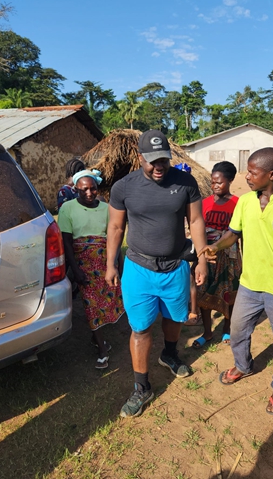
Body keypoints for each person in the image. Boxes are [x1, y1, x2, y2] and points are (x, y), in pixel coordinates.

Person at [202, 147, 273, 415]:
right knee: (238, 330)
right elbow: (232, 233)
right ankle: (243, 365)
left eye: (253, 172)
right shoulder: (246, 202)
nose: (247, 176)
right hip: (249, 284)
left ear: (272, 174)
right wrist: (216, 247)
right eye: (247, 171)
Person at [106, 130, 209, 418]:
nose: (158, 166)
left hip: (176, 265)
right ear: (140, 158)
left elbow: (197, 220)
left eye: (163, 159)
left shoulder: (185, 182)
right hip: (139, 268)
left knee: (175, 318)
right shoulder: (124, 187)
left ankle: (170, 354)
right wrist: (111, 263)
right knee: (140, 328)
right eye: (152, 161)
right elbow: (115, 228)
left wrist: (201, 259)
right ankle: (142, 387)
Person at [58, 169, 124, 369]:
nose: (89, 193)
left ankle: (98, 338)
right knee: (90, 304)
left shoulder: (106, 208)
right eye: (83, 189)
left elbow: (114, 237)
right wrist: (76, 270)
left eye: (93, 189)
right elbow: (67, 243)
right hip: (83, 264)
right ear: (76, 189)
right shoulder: (67, 209)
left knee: (106, 300)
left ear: (98, 188)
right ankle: (102, 349)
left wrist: (116, 264)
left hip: (105, 261)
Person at [190, 161, 241, 348]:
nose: (215, 186)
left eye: (219, 182)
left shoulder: (238, 204)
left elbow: (240, 233)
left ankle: (227, 328)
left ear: (230, 180)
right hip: (207, 255)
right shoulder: (204, 203)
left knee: (229, 294)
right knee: (203, 291)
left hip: (229, 256)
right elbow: (198, 229)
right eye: (213, 182)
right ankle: (207, 332)